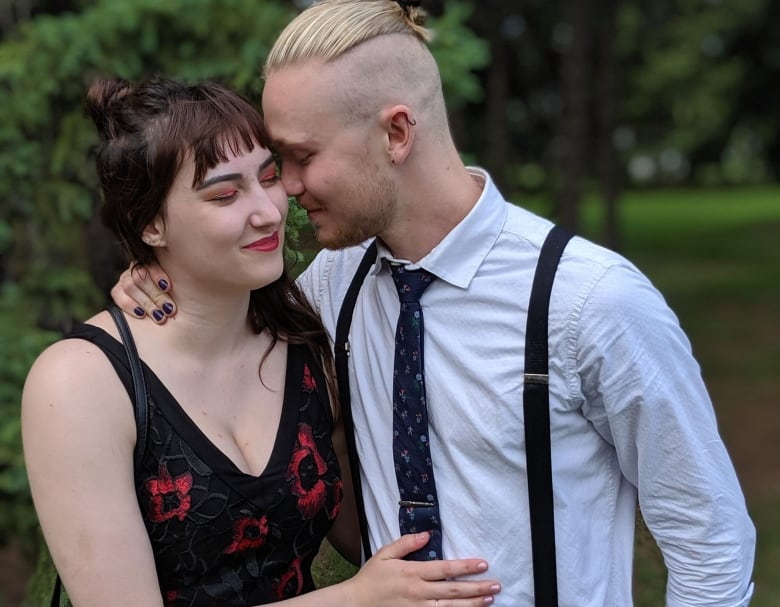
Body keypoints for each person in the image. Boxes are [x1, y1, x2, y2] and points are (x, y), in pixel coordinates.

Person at [111, 0, 757, 604]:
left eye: (301, 157)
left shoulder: (589, 300)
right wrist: (156, 275)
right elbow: (220, 333)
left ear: (396, 133)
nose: (288, 190)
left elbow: (710, 539)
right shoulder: (330, 284)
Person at [21, 77, 502, 607]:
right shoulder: (82, 383)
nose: (270, 212)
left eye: (268, 177)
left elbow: (364, 531)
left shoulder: (305, 341)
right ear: (150, 224)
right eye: (225, 194)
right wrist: (355, 600)